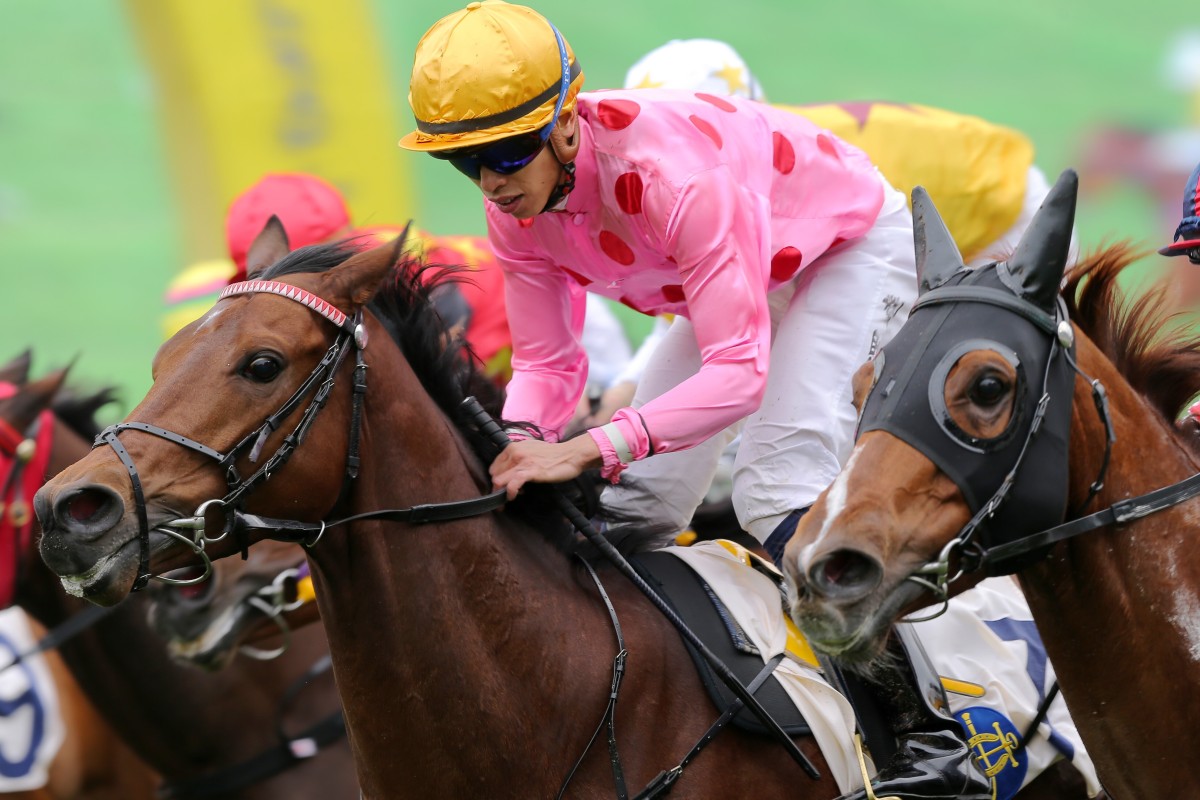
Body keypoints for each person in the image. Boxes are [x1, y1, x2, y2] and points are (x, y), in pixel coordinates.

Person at [398, 4, 992, 798]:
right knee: (637, 505)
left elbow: (739, 373)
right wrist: (518, 446)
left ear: (566, 126)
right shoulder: (514, 211)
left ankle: (935, 730)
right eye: (465, 162)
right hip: (748, 266)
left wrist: (586, 446)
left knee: (772, 484)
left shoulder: (675, 180)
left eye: (506, 152)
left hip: (843, 251)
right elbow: (545, 363)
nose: (493, 182)